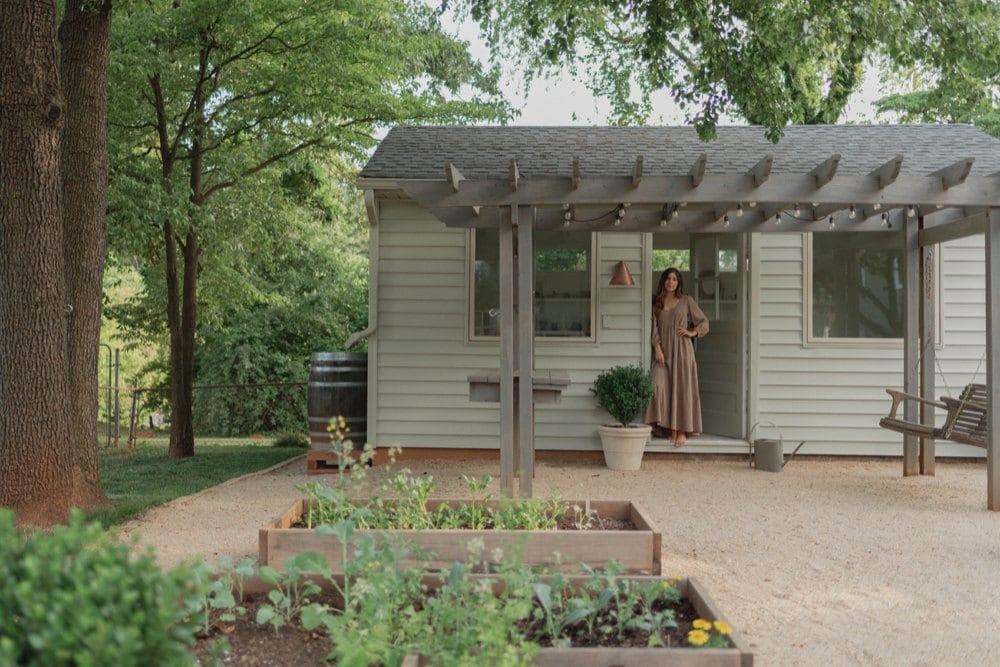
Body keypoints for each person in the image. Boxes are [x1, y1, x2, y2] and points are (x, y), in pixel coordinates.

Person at [645, 267, 709, 447]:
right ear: (663, 281)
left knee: (682, 389)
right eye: (667, 279)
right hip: (663, 353)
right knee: (657, 384)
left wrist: (692, 332)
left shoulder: (686, 301)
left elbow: (704, 322)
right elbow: (654, 328)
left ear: (678, 282)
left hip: (682, 351)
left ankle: (680, 430)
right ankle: (667, 426)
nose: (670, 282)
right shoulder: (657, 303)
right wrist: (657, 347)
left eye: (674, 279)